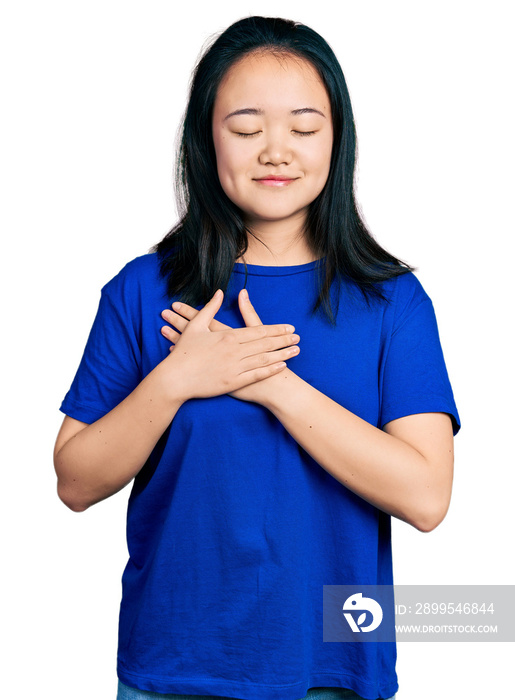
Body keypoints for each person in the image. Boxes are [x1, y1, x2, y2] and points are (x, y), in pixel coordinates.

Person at [54, 15, 460, 700]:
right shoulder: (142, 290)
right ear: (205, 140)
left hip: (331, 667)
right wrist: (177, 379)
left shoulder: (391, 302)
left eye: (303, 128)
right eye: (246, 129)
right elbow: (75, 481)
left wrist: (273, 385)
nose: (275, 150)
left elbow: (425, 497)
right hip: (172, 668)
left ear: (337, 141)